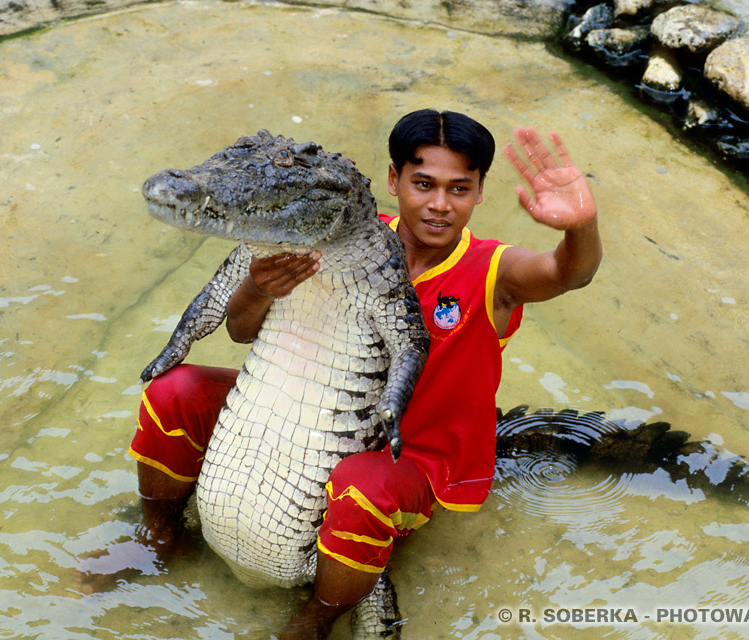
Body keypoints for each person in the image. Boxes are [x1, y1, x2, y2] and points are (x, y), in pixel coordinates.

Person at [125, 109, 601, 638]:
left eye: (458, 188)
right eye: (423, 184)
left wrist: (580, 226)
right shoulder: (332, 232)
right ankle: (158, 535)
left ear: (480, 192)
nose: (440, 205)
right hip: (319, 411)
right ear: (394, 181)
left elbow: (567, 273)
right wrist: (259, 286)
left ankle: (317, 617)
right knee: (175, 392)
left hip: (412, 450)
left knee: (363, 485)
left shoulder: (495, 270)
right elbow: (239, 332)